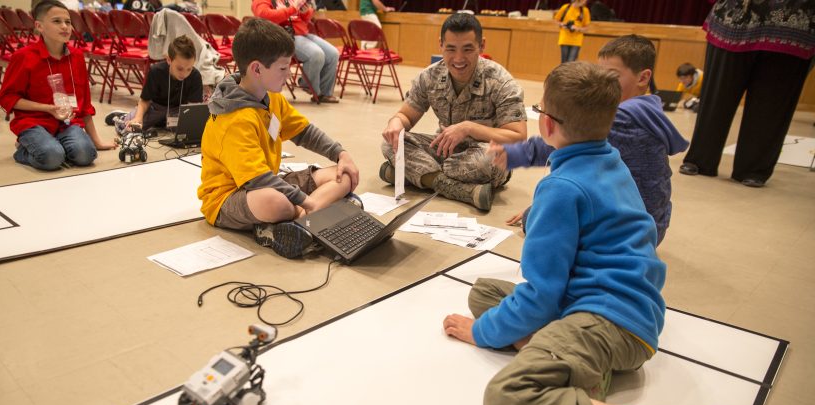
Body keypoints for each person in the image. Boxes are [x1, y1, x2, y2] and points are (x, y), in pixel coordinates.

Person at [442, 62, 750, 405]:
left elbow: (542, 295)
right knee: (483, 293)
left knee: (505, 399)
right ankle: (578, 367)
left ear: (546, 124)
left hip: (611, 320)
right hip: (627, 307)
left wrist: (480, 334)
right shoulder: (609, 157)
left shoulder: (560, 189)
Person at [494, 35, 688, 244]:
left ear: (643, 78)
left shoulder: (622, 118)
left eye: (611, 76)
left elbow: (565, 139)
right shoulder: (647, 110)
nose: (602, 85)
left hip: (628, 235)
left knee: (538, 218)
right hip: (652, 224)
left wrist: (515, 154)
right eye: (599, 76)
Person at [197, 18, 360, 259]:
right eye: (283, 68)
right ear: (257, 69)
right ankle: (311, 214)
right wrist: (307, 201)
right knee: (275, 202)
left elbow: (304, 132)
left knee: (342, 173)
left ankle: (299, 221)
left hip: (268, 181)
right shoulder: (234, 119)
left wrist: (341, 154)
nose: (289, 74)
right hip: (228, 198)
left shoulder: (271, 97)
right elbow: (257, 180)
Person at [380, 13, 526, 211]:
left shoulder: (501, 82)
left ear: (482, 46)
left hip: (484, 155)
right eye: (450, 49)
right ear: (440, 44)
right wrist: (396, 122)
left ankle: (416, 175)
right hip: (445, 150)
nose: (458, 59)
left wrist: (468, 128)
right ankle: (460, 190)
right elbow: (406, 116)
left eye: (468, 49)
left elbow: (518, 137)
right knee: (391, 144)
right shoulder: (430, 76)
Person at [678, 0, 815, 188]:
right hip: (736, 18)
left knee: (771, 106)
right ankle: (700, 159)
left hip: (794, 21)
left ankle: (753, 169)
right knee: (717, 99)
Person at [0, 0, 116, 171]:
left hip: (67, 122)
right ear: (39, 26)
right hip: (33, 122)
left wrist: (97, 141)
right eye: (56, 21)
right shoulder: (23, 57)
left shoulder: (77, 56)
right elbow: (7, 97)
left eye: (68, 22)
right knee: (52, 157)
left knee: (86, 155)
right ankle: (23, 150)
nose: (65, 27)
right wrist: (48, 108)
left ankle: (53, 145)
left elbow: (84, 104)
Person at [106, 35, 203, 134]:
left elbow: (193, 108)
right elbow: (145, 100)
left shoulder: (195, 76)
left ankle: (159, 122)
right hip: (155, 108)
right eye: (180, 69)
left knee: (195, 129)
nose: (184, 74)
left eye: (189, 69)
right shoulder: (156, 71)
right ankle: (123, 116)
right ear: (169, 60)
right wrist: (138, 118)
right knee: (128, 129)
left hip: (178, 111)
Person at [252, 0, 340, 103]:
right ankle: (308, 85)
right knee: (316, 54)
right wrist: (293, 9)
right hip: (282, 37)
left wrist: (305, 12)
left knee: (333, 53)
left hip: (302, 33)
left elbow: (304, 19)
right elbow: (264, 16)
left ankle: (324, 93)